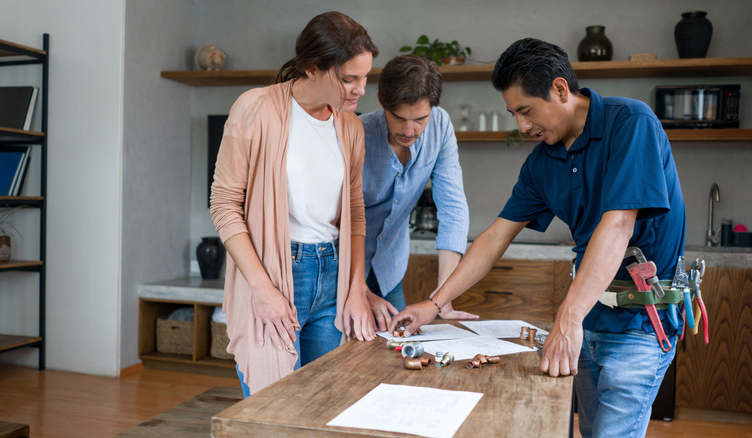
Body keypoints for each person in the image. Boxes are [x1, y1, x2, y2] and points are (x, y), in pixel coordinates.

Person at [389, 38, 686, 437]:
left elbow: (618, 226)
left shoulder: (631, 123)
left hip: (640, 325)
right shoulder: (541, 163)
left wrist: (568, 316)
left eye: (526, 111)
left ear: (560, 89)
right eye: (514, 114)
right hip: (591, 319)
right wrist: (435, 303)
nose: (522, 126)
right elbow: (495, 237)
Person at [209, 11, 379, 398]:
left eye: (365, 77)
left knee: (327, 403)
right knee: (274, 408)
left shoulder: (351, 127)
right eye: (349, 79)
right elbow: (223, 204)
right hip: (278, 274)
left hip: (333, 275)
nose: (360, 90)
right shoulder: (255, 108)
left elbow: (355, 212)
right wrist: (262, 290)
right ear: (312, 68)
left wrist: (355, 288)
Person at [358, 54, 477, 330]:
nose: (409, 130)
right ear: (381, 102)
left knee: (396, 354)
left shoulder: (440, 126)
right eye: (399, 118)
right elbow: (337, 222)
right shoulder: (357, 134)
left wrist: (442, 296)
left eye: (420, 119)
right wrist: (359, 291)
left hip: (389, 268)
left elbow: (453, 209)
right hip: (343, 271)